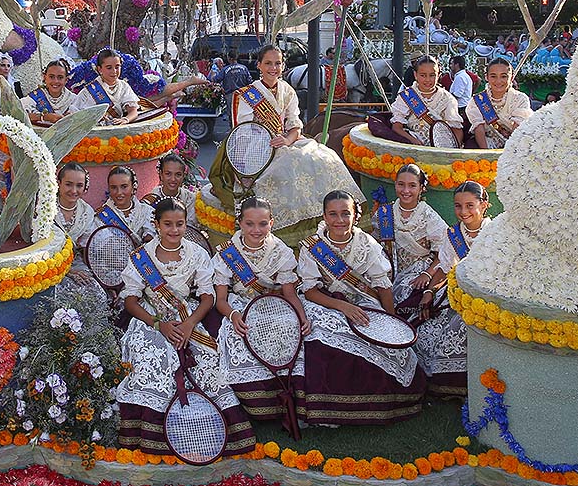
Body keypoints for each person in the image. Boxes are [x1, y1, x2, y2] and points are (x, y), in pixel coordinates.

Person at [116, 198, 256, 457]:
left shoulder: (197, 253)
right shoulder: (141, 256)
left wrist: (191, 324)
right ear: (156, 225)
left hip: (188, 316)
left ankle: (203, 429)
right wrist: (159, 325)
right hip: (151, 318)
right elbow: (131, 300)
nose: (174, 230)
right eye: (167, 224)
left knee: (207, 359)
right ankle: (151, 435)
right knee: (153, 358)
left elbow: (207, 296)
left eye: (179, 224)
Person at [296, 191, 425, 426]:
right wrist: (342, 306)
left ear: (355, 215)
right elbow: (310, 290)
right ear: (324, 216)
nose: (339, 220)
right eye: (333, 214)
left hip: (362, 300)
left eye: (346, 213)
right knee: (322, 339)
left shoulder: (366, 243)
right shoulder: (313, 247)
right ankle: (327, 411)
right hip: (326, 303)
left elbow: (382, 285)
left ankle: (381, 407)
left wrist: (392, 321)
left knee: (378, 341)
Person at [213, 196, 311, 420]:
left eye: (263, 224)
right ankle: (258, 405)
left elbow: (289, 293)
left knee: (294, 331)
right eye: (250, 224)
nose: (256, 230)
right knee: (237, 336)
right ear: (240, 223)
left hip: (274, 304)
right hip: (239, 306)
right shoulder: (227, 254)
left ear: (271, 223)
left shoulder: (281, 251)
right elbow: (221, 301)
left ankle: (290, 400)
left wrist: (301, 316)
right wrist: (233, 314)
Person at [414, 181, 491, 398]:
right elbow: (444, 268)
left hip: (486, 299)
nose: (463, 212)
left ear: (483, 205)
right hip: (458, 295)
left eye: (470, 206)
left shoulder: (494, 233)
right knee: (425, 332)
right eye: (458, 206)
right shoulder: (453, 234)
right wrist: (429, 292)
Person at [208, 45, 302, 214]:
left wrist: (287, 140)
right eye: (268, 63)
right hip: (255, 145)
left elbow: (295, 125)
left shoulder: (288, 91)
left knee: (315, 159)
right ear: (259, 65)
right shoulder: (248, 94)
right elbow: (243, 132)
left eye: (277, 63)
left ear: (283, 66)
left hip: (284, 141)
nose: (273, 68)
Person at [378, 165, 452, 324]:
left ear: (421, 188)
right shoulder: (385, 213)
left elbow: (446, 253)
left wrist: (427, 274)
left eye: (412, 185)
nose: (406, 190)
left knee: (412, 295)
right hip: (389, 270)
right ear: (395, 184)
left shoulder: (428, 216)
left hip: (419, 270)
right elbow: (378, 245)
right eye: (401, 184)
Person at [390, 55, 462, 147]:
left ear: (439, 75)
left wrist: (452, 150)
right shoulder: (407, 96)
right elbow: (397, 127)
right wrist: (412, 140)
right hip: (413, 143)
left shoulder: (447, 99)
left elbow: (456, 129)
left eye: (432, 75)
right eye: (423, 75)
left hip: (440, 146)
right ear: (415, 75)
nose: (428, 80)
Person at [466, 59, 534, 149]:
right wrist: (486, 154)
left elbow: (517, 129)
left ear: (511, 77)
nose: (498, 81)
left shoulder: (520, 99)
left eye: (503, 76)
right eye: (493, 76)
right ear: (486, 77)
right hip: (487, 142)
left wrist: (509, 153)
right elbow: (479, 127)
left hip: (515, 145)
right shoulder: (477, 100)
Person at [73, 48, 140, 124]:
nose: (114, 71)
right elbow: (76, 116)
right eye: (109, 68)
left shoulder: (124, 86)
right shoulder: (89, 91)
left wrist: (126, 119)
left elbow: (133, 112)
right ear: (100, 69)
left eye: (117, 67)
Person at [100, 165, 154, 242]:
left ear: (133, 187)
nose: (119, 192)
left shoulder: (147, 212)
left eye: (124, 186)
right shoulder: (101, 216)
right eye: (114, 187)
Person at [143, 153, 200, 227]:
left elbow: (190, 227)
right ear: (161, 174)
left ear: (183, 176)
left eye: (178, 174)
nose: (173, 179)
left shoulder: (190, 198)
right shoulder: (152, 198)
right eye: (168, 174)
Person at [54, 162, 97, 248]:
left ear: (85, 187)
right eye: (68, 184)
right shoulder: (44, 207)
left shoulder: (87, 212)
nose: (74, 191)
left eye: (79, 186)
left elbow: (86, 244)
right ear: (59, 183)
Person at [23, 59, 75, 124]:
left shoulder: (73, 99)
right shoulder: (36, 96)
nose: (56, 81)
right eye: (51, 77)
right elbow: (19, 113)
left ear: (66, 80)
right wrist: (44, 117)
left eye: (60, 77)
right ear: (45, 77)